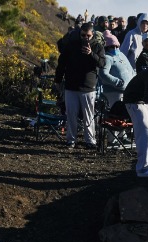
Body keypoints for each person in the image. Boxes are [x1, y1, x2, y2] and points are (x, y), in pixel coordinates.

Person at [54, 21, 105, 149]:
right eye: (83, 35)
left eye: (88, 36)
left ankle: (90, 141)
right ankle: (71, 140)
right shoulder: (71, 45)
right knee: (71, 115)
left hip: (88, 86)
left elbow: (102, 63)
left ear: (92, 34)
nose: (85, 38)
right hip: (71, 85)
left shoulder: (98, 46)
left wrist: (91, 54)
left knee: (88, 116)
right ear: (79, 34)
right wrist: (58, 80)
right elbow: (62, 63)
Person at [97, 31, 133, 108]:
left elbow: (130, 69)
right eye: (112, 46)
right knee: (114, 115)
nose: (115, 48)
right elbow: (103, 73)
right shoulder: (107, 58)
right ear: (106, 47)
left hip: (127, 91)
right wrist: (118, 82)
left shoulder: (121, 55)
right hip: (113, 92)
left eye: (117, 46)